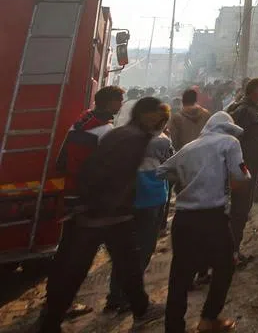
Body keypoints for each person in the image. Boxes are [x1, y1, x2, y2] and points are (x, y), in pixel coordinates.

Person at [38, 97, 167, 333]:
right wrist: (105, 208)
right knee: (82, 269)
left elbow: (92, 168)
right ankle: (51, 321)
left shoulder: (120, 133)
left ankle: (140, 308)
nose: (161, 121)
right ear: (146, 115)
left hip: (100, 212)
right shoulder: (133, 139)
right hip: (107, 215)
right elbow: (115, 177)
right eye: (159, 116)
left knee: (120, 265)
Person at [158, 111, 249, 333]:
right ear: (228, 129)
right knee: (225, 266)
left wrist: (187, 181)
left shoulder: (189, 148)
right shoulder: (230, 142)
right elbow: (241, 176)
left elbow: (162, 172)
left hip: (184, 218)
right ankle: (208, 319)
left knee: (180, 275)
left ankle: (174, 327)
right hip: (213, 217)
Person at [104, 125, 174, 314]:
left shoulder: (122, 139)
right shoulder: (162, 140)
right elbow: (170, 164)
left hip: (127, 201)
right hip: (150, 200)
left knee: (124, 251)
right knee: (143, 250)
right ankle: (129, 298)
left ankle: (115, 296)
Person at [56, 85, 125, 211]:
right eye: (119, 101)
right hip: (88, 189)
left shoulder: (82, 120)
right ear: (109, 103)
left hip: (70, 183)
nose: (121, 104)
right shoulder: (106, 129)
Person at [226, 77, 258, 261]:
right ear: (256, 91)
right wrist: (242, 168)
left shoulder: (248, 109)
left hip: (247, 169)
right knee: (238, 211)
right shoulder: (244, 111)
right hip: (242, 170)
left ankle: (231, 249)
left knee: (239, 210)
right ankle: (231, 252)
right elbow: (236, 143)